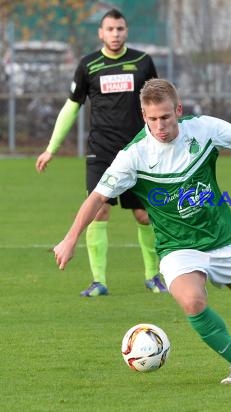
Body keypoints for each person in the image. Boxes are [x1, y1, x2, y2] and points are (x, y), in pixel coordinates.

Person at [52, 78, 231, 383]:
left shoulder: (202, 128)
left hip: (221, 237)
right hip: (177, 246)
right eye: (152, 119)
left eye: (166, 117)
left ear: (178, 110)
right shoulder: (134, 156)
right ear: (144, 117)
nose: (159, 125)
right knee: (192, 301)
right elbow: (97, 198)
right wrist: (70, 238)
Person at [35, 8, 164, 297]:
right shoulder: (89, 65)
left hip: (139, 151)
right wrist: (50, 149)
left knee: (144, 215)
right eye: (110, 29)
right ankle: (98, 281)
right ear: (100, 33)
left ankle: (154, 276)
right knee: (99, 211)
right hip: (101, 151)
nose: (115, 34)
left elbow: (157, 103)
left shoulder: (143, 62)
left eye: (120, 29)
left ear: (126, 31)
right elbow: (72, 106)